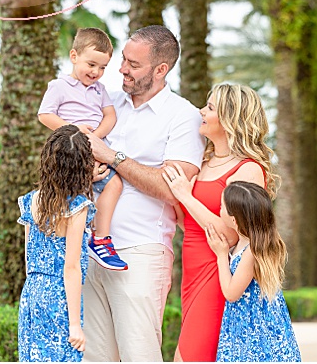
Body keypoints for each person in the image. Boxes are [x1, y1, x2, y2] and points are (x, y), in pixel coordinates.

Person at [83, 26, 204, 363]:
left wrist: (113, 158)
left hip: (140, 251)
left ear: (160, 69)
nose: (122, 68)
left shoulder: (183, 117)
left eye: (133, 64)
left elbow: (172, 189)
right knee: (94, 358)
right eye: (123, 59)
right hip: (88, 248)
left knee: (140, 356)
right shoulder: (105, 101)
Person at [162, 82, 274, 362]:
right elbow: (192, 225)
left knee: (189, 357)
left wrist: (186, 198)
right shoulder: (203, 161)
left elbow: (231, 234)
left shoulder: (248, 169)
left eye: (210, 107)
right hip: (191, 271)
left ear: (228, 119)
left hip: (218, 271)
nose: (201, 111)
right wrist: (178, 203)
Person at [37, 27, 127, 271]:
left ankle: (100, 238)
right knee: (72, 191)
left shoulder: (100, 90)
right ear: (74, 56)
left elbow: (110, 116)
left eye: (102, 68)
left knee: (113, 183)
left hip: (94, 150)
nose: (96, 73)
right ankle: (63, 241)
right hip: (70, 151)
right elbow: (45, 115)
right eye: (91, 65)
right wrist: (75, 131)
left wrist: (94, 137)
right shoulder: (59, 86)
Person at [15, 125, 95, 362]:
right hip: (60, 296)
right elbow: (70, 269)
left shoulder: (30, 201)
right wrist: (74, 325)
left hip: (32, 292)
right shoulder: (77, 207)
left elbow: (29, 257)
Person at [212, 183, 302, 362]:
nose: (218, 209)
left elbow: (231, 293)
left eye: (222, 206)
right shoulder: (247, 244)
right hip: (250, 324)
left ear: (234, 220)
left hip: (253, 328)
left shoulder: (251, 252)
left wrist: (221, 255)